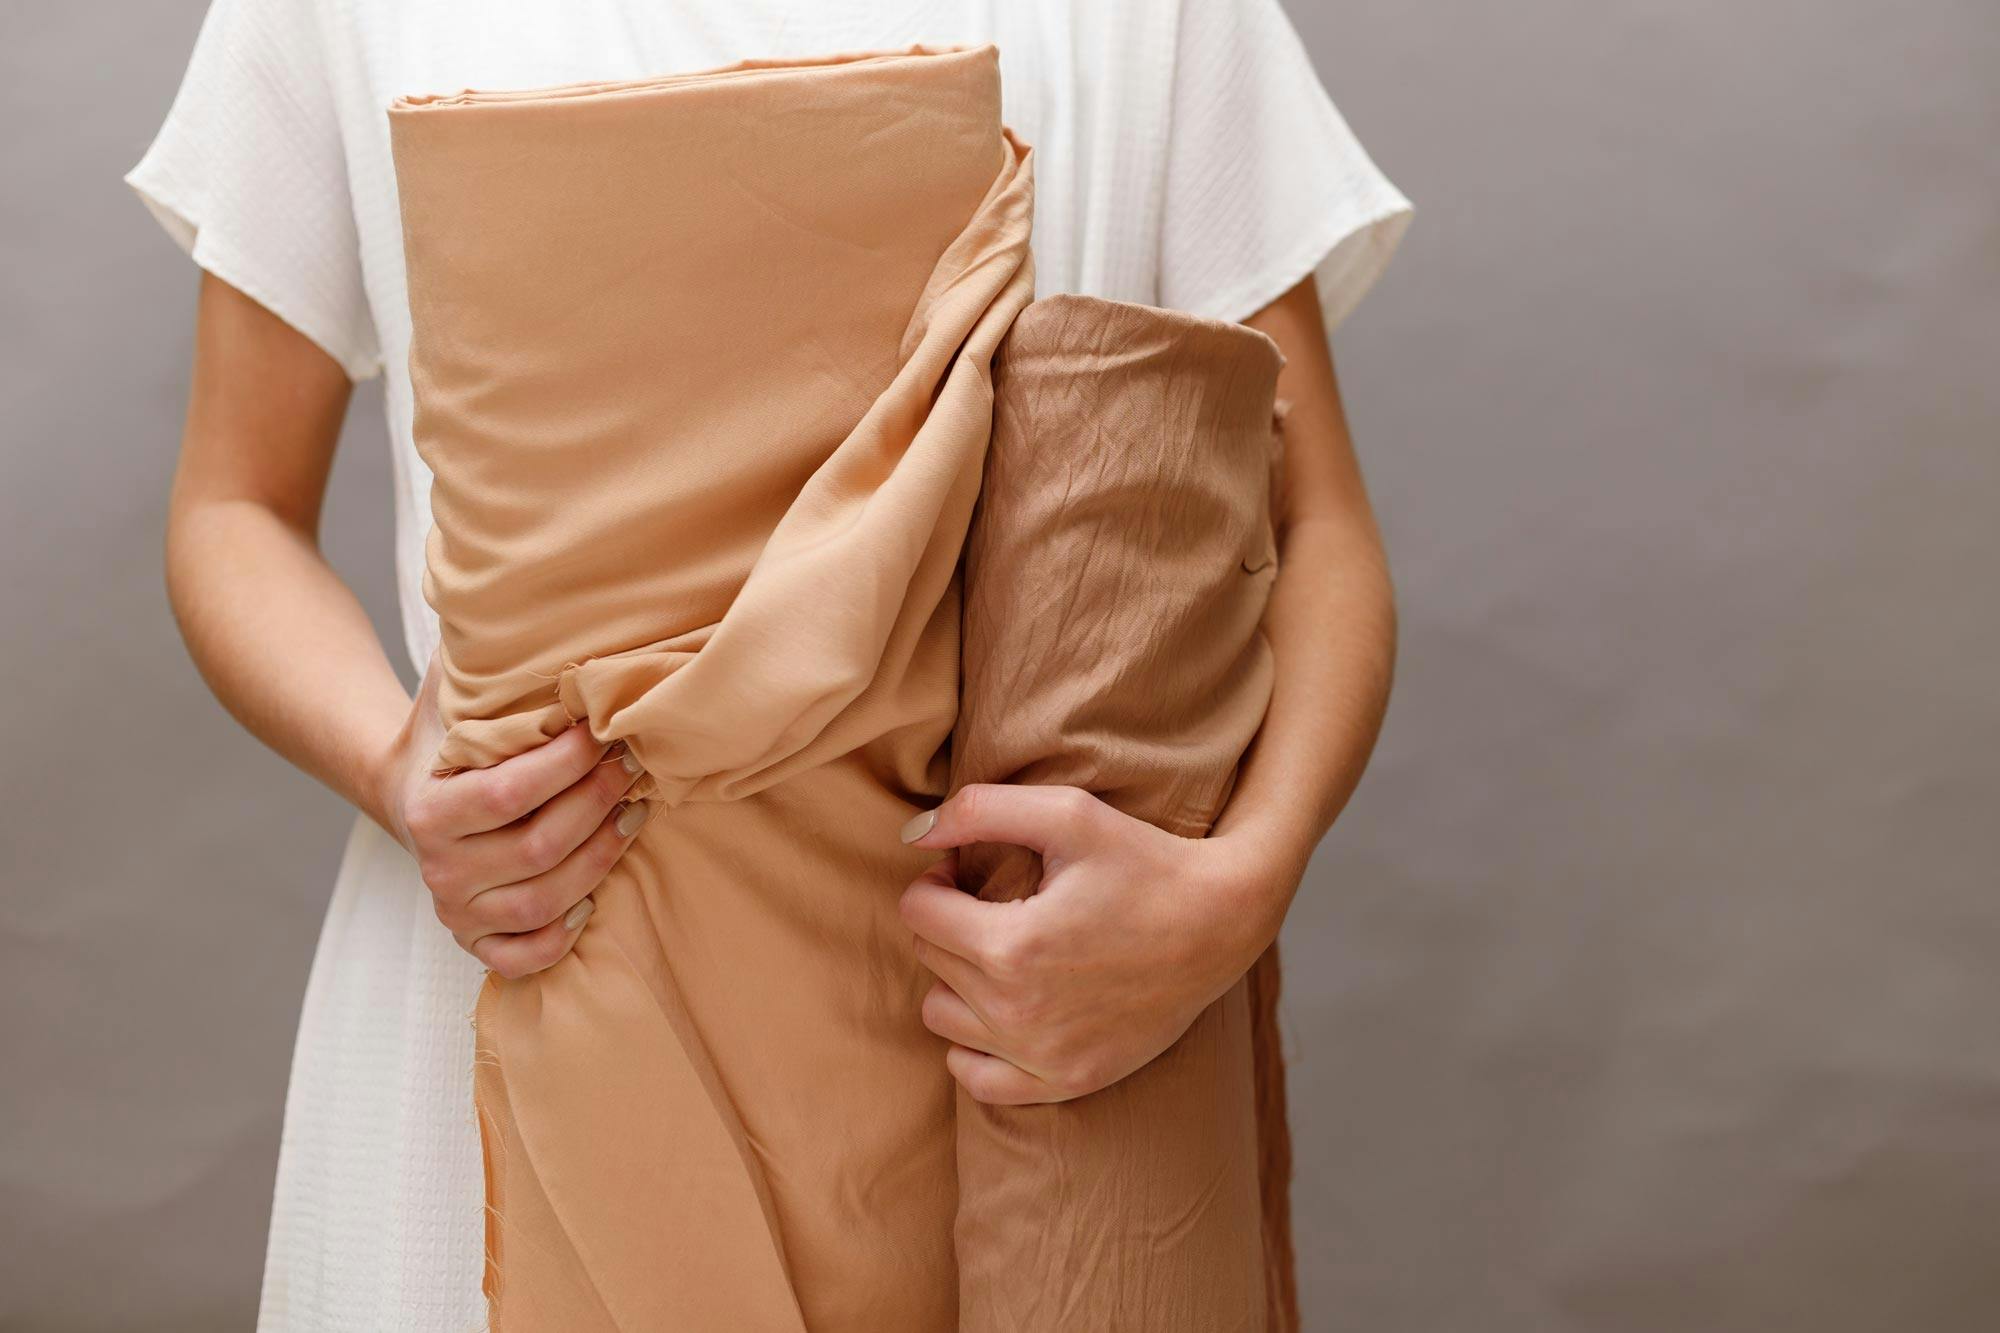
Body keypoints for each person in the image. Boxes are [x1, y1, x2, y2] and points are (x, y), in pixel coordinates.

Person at [128, 0, 1410, 1325]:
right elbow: (234, 508)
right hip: (520, 975)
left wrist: (1235, 890)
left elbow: (1318, 524)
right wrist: (400, 770)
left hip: (1036, 1032)